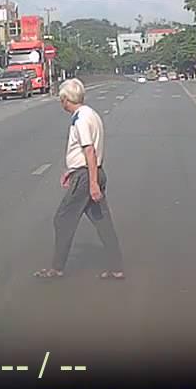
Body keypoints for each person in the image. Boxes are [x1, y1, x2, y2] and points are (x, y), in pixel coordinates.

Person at [34, 78, 125, 280]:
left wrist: (92, 183)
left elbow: (89, 150)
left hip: (86, 176)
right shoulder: (90, 114)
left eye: (62, 99)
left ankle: (57, 268)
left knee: (62, 219)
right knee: (102, 221)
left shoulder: (81, 119)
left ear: (66, 99)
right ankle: (116, 267)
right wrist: (72, 171)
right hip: (92, 171)